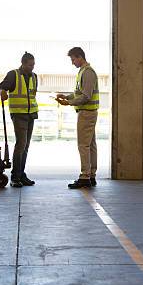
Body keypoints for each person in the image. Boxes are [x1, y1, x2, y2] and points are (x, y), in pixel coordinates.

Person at [56, 47, 100, 189]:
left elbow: (86, 96)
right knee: (90, 145)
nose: (72, 62)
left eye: (73, 59)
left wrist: (68, 103)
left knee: (83, 145)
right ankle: (91, 175)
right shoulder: (83, 72)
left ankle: (84, 176)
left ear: (80, 57)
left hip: (86, 113)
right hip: (89, 112)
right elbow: (79, 93)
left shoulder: (87, 73)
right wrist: (66, 96)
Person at [0, 52, 38, 188]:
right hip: (18, 114)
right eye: (30, 65)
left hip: (31, 114)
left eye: (33, 64)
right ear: (23, 63)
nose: (32, 67)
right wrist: (2, 93)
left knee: (25, 146)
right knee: (21, 144)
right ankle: (15, 177)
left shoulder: (34, 77)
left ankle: (21, 174)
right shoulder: (13, 74)